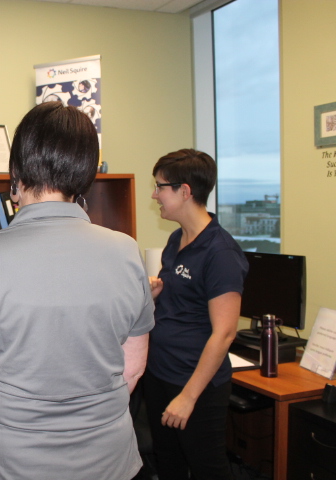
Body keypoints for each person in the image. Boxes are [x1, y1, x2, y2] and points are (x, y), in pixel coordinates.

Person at [0, 101, 154, 480]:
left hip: (6, 463)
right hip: (106, 461)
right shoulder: (127, 252)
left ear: (15, 174)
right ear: (85, 175)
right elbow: (131, 371)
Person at [145, 149, 248, 480]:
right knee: (168, 462)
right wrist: (156, 294)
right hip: (160, 374)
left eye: (160, 187)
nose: (154, 194)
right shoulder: (177, 239)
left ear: (185, 191)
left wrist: (188, 398)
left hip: (194, 383)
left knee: (208, 469)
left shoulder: (221, 252)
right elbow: (181, 304)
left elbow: (225, 333)